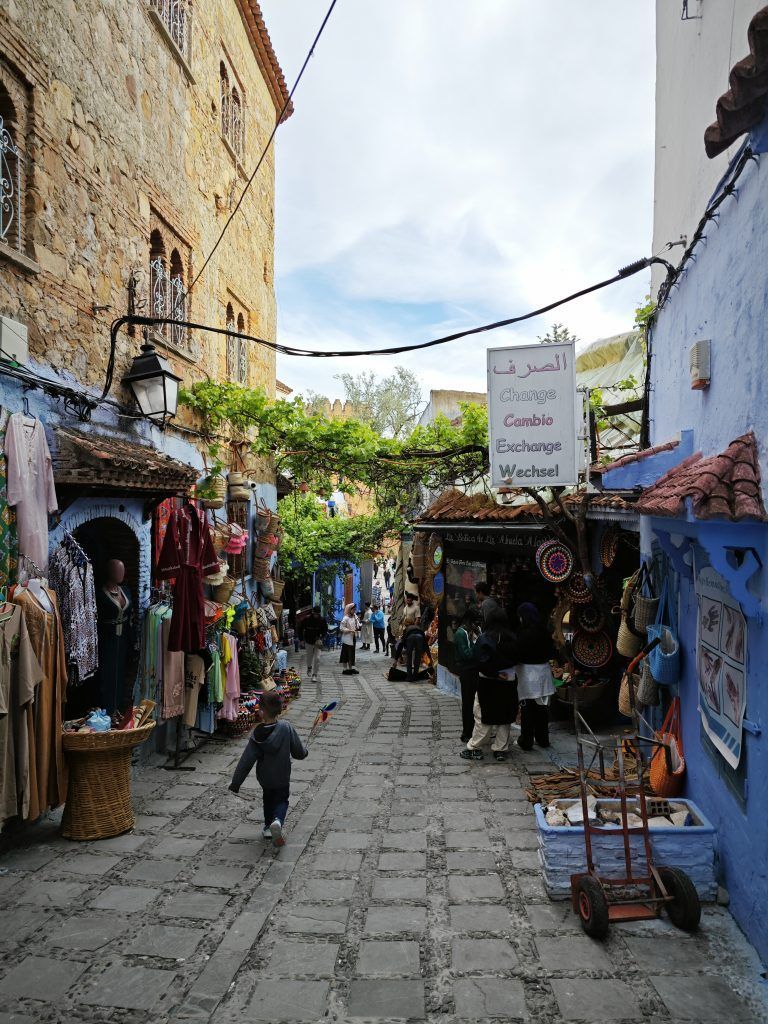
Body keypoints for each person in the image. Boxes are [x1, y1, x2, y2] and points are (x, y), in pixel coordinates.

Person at [228, 691, 308, 847]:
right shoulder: (286, 728)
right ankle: (277, 821)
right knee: (282, 800)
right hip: (282, 775)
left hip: (265, 778)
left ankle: (267, 827)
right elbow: (298, 752)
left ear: (262, 712)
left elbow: (246, 760)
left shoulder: (257, 734)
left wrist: (236, 783)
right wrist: (304, 752)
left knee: (268, 799)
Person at [461, 607, 518, 762]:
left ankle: (475, 747)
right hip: (508, 680)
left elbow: (479, 660)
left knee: (482, 714)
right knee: (504, 716)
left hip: (488, 681)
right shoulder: (512, 638)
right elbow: (517, 658)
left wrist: (494, 673)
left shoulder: (485, 638)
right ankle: (500, 749)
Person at [514, 602, 555, 749]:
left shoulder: (522, 632)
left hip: (527, 674)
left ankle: (526, 740)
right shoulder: (544, 631)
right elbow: (551, 651)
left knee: (527, 709)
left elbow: (517, 653)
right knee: (542, 708)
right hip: (543, 673)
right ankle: (543, 739)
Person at [454, 609, 479, 742]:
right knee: (468, 702)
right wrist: (476, 643)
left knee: (478, 703)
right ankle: (467, 732)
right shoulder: (460, 633)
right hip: (467, 671)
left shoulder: (476, 630)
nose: (477, 625)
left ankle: (478, 730)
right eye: (475, 622)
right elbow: (467, 655)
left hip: (477, 671)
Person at [300, 606, 328, 682]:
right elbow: (300, 628)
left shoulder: (322, 620)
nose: (316, 615)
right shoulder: (307, 619)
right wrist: (301, 640)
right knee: (309, 657)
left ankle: (314, 674)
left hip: (317, 641)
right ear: (313, 612)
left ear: (319, 613)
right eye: (315, 613)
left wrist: (322, 638)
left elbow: (325, 630)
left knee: (317, 658)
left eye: (317, 614)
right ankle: (309, 667)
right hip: (308, 640)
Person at [339, 602, 359, 675]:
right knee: (345, 653)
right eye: (353, 609)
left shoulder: (354, 616)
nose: (354, 611)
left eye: (355, 609)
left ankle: (350, 668)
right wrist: (350, 630)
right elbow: (341, 628)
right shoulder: (345, 618)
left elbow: (358, 625)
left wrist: (358, 625)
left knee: (352, 653)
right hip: (347, 638)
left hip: (353, 637)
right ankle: (345, 669)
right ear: (349, 609)